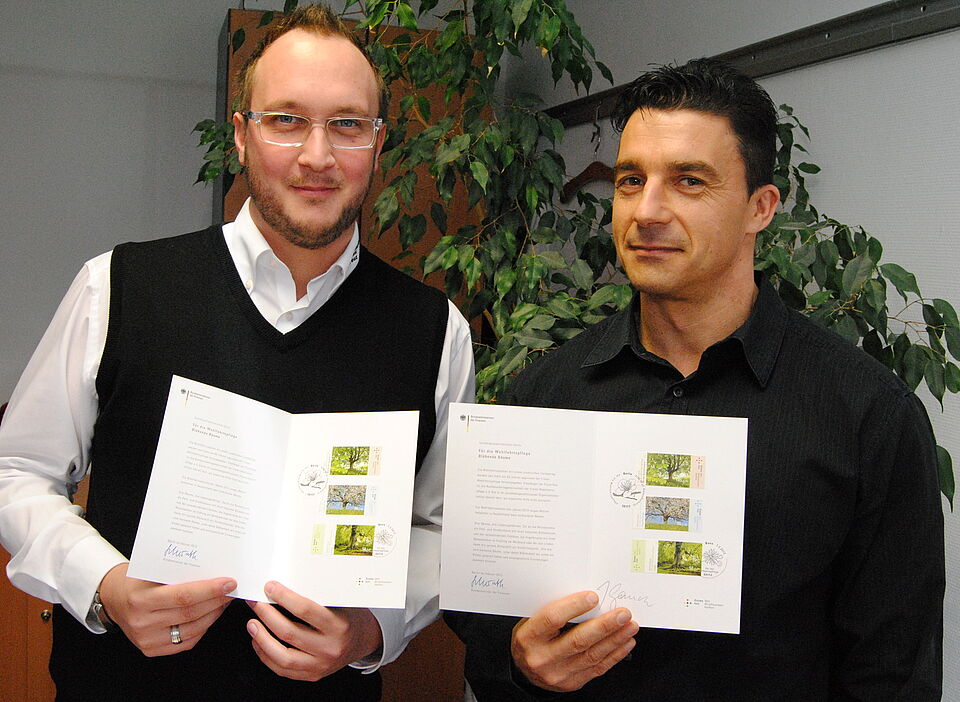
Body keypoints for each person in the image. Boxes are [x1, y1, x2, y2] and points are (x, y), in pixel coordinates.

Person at [0, 5, 473, 700]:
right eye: (286, 120)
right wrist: (103, 582)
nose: (317, 156)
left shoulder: (434, 331)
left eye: (347, 124)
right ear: (242, 136)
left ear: (378, 143)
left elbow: (439, 525)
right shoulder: (120, 287)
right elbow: (18, 470)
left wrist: (372, 628)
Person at [446, 58, 944, 700]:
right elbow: (484, 625)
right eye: (631, 180)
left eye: (689, 181)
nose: (647, 211)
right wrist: (521, 662)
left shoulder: (868, 415)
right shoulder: (544, 397)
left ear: (760, 207)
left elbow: (893, 672)